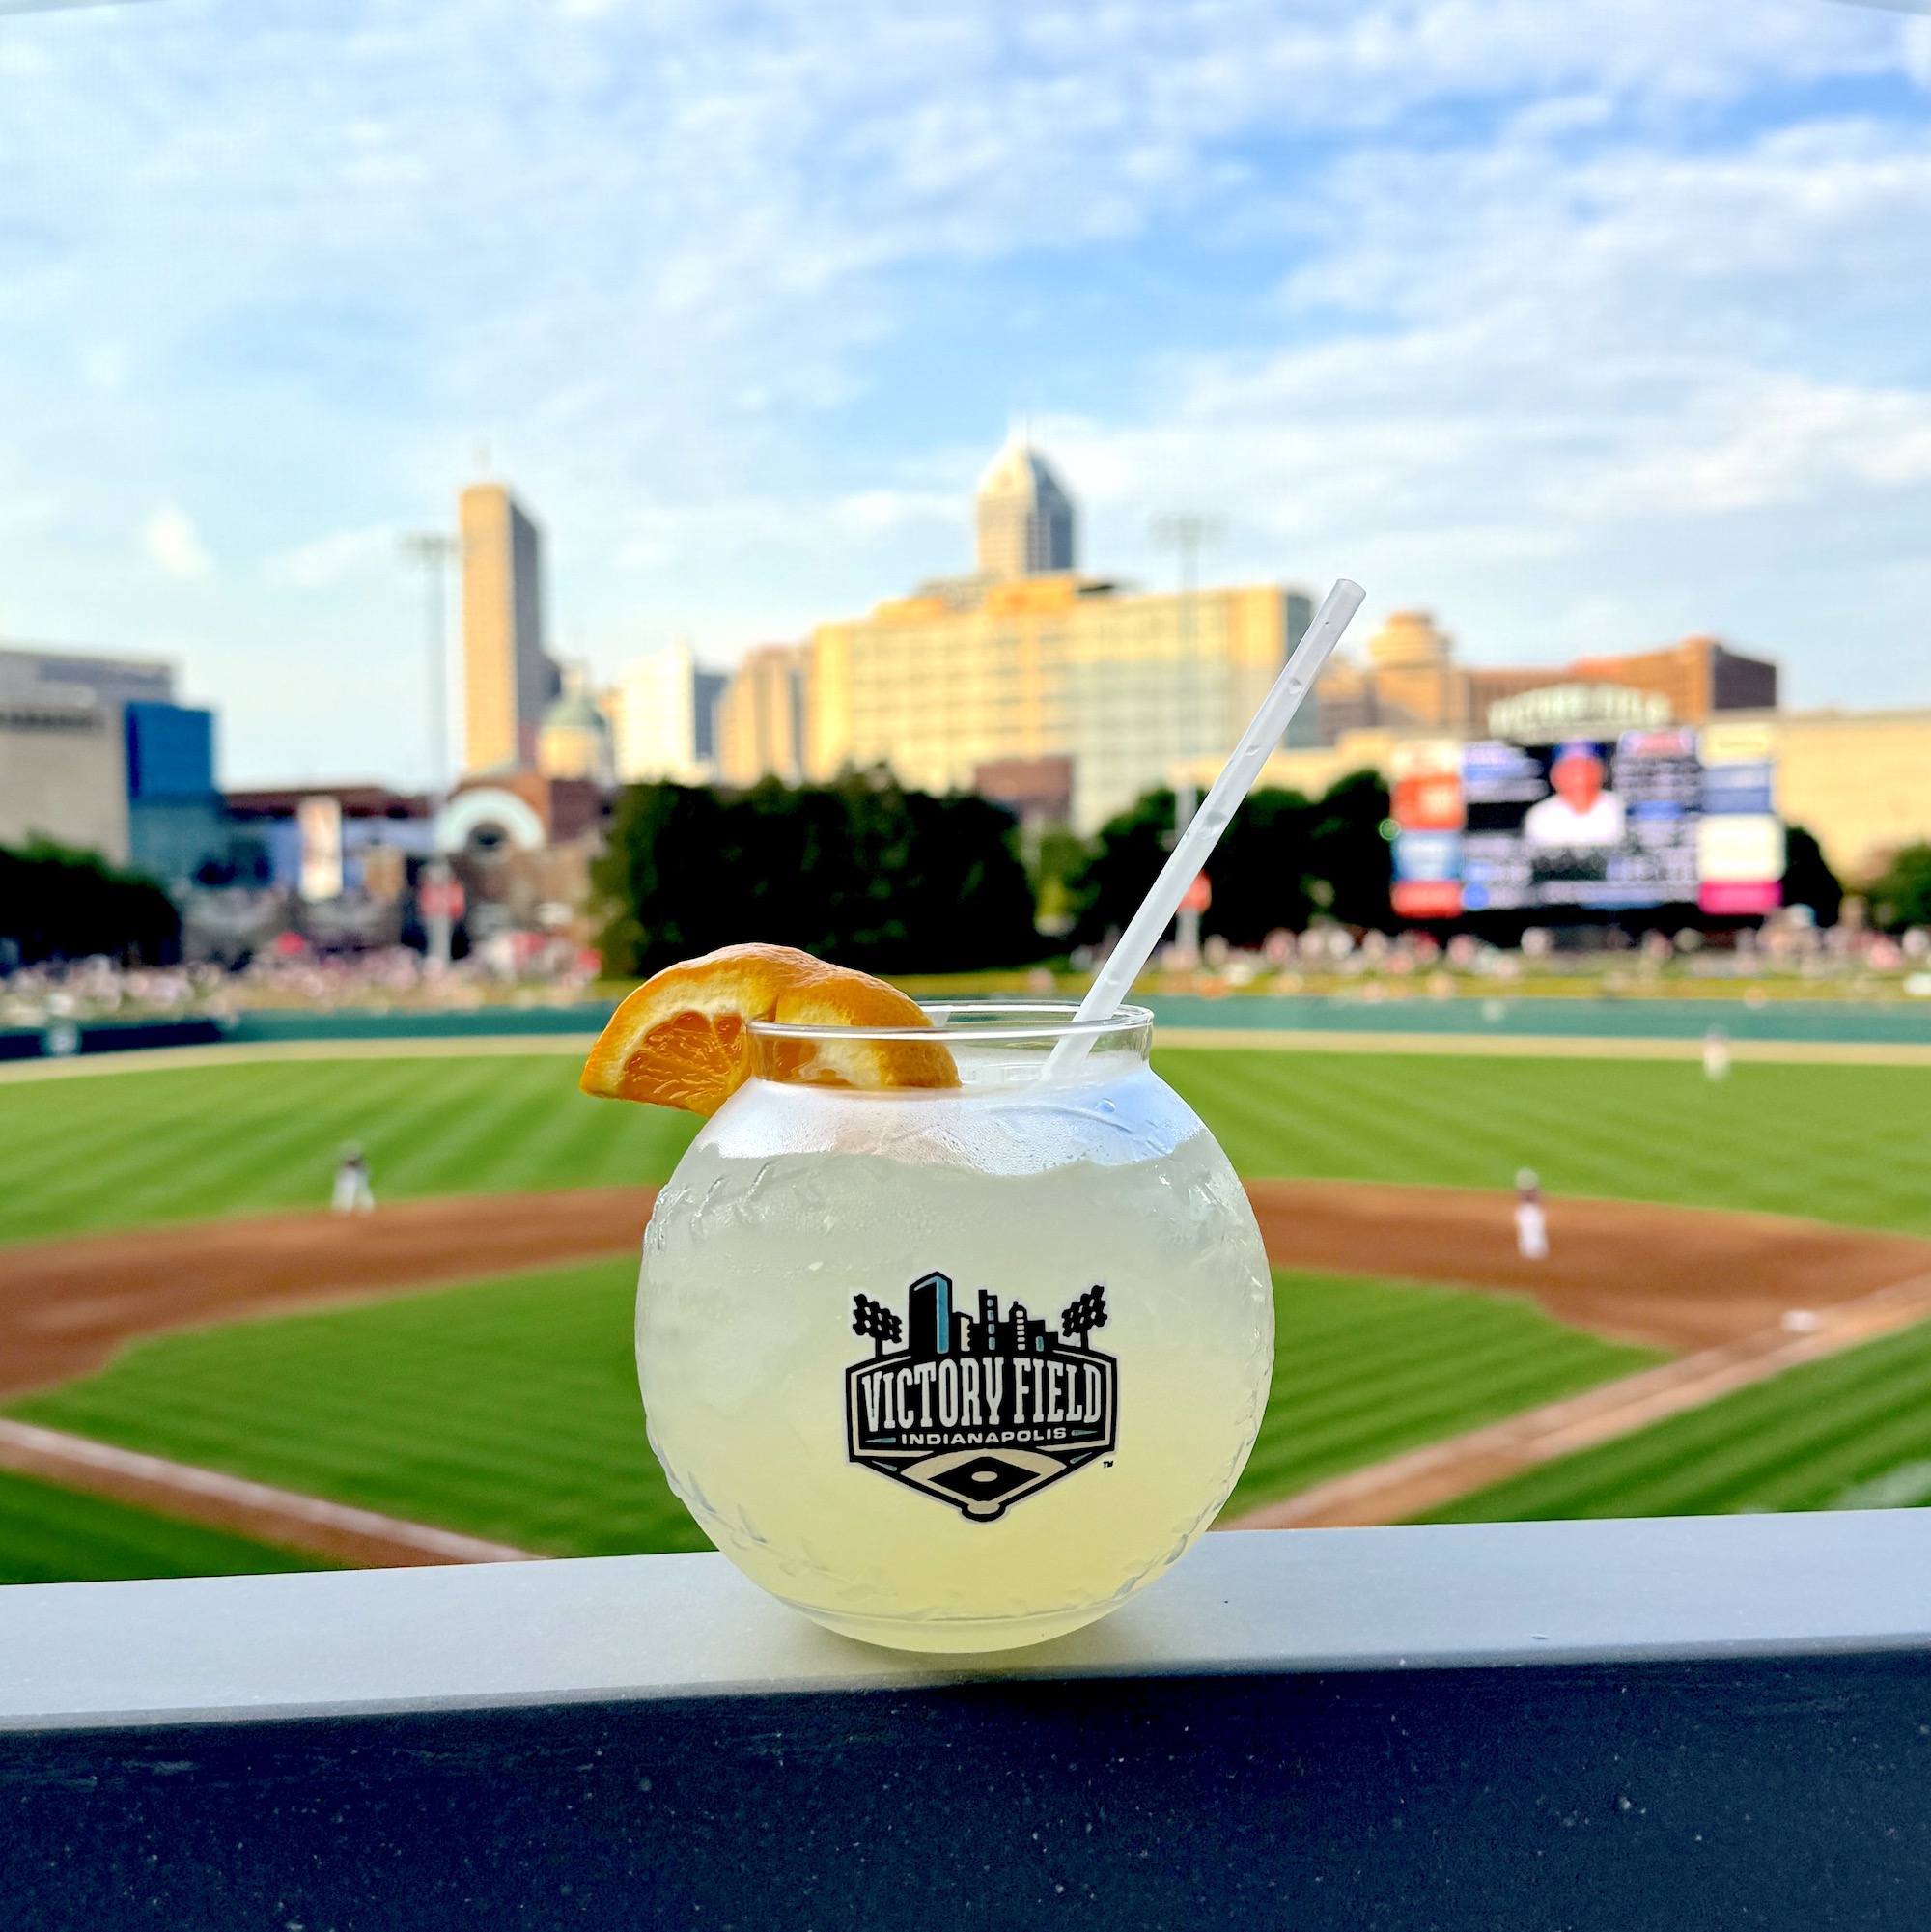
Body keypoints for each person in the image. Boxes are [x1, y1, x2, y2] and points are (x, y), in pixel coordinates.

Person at [1524, 742, 1625, 848]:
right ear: (1556, 776)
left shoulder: (1619, 808)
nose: (1579, 779)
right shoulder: (1541, 816)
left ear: (1600, 772)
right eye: (1571, 771)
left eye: (1586, 769)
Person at [1514, 1166, 1548, 1261]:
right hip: (1531, 1211)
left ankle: (1531, 1250)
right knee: (1533, 1230)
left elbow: (1517, 1195)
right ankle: (1534, 1250)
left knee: (1529, 1231)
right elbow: (1542, 1198)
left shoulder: (1522, 1191)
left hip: (1527, 1211)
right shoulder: (1535, 1191)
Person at [332, 1142, 375, 1215]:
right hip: (349, 1180)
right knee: (346, 1192)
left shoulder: (361, 1166)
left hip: (358, 1179)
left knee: (360, 1192)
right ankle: (344, 1208)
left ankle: (350, 1208)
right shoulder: (347, 1166)